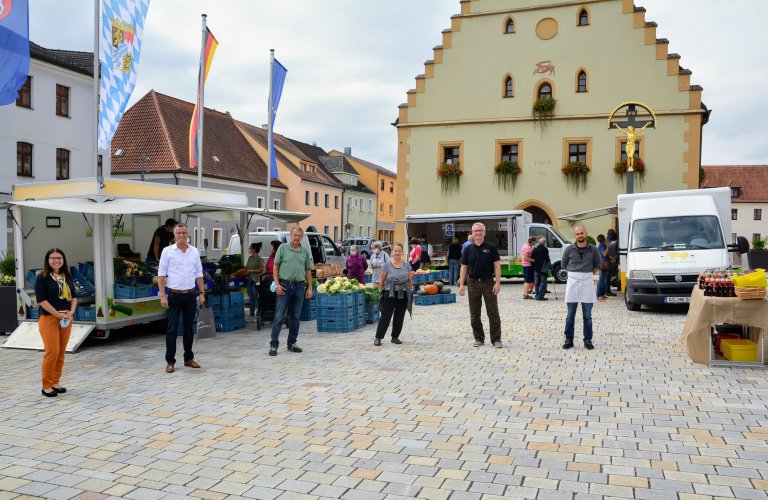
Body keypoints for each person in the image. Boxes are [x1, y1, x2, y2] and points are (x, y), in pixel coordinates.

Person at [158, 223, 205, 373]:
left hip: (190, 294)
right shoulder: (167, 251)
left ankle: (188, 358)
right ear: (174, 235)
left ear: (188, 234)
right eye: (179, 233)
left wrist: (202, 292)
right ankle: (170, 361)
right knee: (172, 329)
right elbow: (161, 275)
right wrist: (163, 296)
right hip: (174, 295)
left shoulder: (194, 251)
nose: (182, 236)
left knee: (189, 328)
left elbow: (199, 273)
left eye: (184, 233)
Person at [35, 248, 77, 397]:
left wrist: (71, 311)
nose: (56, 260)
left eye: (59, 257)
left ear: (63, 260)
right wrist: (58, 315)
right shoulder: (42, 277)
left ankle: (55, 382)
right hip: (49, 317)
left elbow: (74, 296)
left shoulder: (67, 277)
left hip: (66, 318)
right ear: (48, 260)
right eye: (52, 258)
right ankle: (46, 386)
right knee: (52, 352)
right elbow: (41, 300)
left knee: (60, 352)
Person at [270, 227, 313, 356]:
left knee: (295, 317)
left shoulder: (304, 251)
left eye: (299, 235)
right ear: (291, 236)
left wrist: (310, 287)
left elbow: (308, 271)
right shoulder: (283, 248)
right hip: (284, 286)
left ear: (302, 237)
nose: (297, 238)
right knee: (279, 316)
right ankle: (273, 345)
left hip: (300, 286)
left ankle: (292, 343)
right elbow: (275, 266)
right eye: (295, 235)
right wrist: (277, 284)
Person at [459, 222, 503, 348]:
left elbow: (497, 265)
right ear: (472, 233)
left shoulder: (491, 247)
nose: (478, 233)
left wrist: (497, 283)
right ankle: (478, 338)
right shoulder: (467, 249)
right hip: (473, 283)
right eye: (476, 231)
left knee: (493, 312)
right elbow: (463, 267)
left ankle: (496, 339)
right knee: (474, 313)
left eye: (480, 230)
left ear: (484, 232)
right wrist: (461, 285)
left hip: (488, 282)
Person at [561, 225, 601, 350]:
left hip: (587, 283)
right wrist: (575, 273)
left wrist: (587, 275)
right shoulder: (569, 249)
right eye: (577, 234)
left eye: (581, 233)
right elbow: (563, 264)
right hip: (572, 283)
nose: (580, 235)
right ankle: (569, 340)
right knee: (570, 315)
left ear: (586, 233)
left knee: (587, 316)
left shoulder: (593, 249)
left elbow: (597, 265)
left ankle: (588, 340)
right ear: (575, 235)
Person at [374, 243, 413, 346]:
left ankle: (395, 337)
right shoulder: (386, 265)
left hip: (403, 293)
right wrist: (382, 291)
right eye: (395, 251)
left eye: (399, 251)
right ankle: (378, 337)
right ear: (392, 252)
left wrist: (410, 290)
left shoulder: (407, 265)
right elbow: (382, 281)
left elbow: (409, 279)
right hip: (389, 292)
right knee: (385, 315)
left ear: (402, 252)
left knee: (399, 316)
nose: (397, 253)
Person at [245, 242, 264, 322]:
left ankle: (257, 315)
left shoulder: (259, 259)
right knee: (251, 298)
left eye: (250, 248)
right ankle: (251, 314)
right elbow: (246, 267)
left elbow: (261, 270)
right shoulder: (250, 258)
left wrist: (252, 270)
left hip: (255, 281)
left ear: (254, 249)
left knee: (255, 298)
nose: (249, 249)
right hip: (249, 280)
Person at [596, 234, 609, 301]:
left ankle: (602, 294)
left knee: (603, 280)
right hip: (603, 264)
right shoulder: (602, 245)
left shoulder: (600, 245)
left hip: (602, 264)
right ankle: (599, 295)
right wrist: (608, 247)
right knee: (601, 280)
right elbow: (604, 254)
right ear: (604, 239)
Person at [606, 229, 619, 295]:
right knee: (609, 276)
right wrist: (613, 259)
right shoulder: (610, 240)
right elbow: (610, 251)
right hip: (610, 260)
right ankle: (607, 291)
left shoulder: (607, 239)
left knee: (609, 276)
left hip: (610, 260)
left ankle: (608, 290)